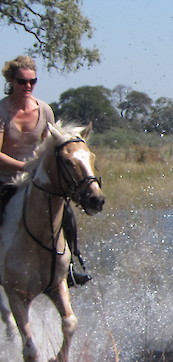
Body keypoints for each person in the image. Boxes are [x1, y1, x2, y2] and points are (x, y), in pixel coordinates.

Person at [0, 55, 93, 287]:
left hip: (36, 180)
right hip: (6, 180)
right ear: (11, 81)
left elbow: (48, 149)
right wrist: (23, 167)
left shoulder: (45, 111)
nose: (28, 86)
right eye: (22, 81)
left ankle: (70, 266)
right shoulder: (2, 111)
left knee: (67, 215)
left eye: (32, 81)